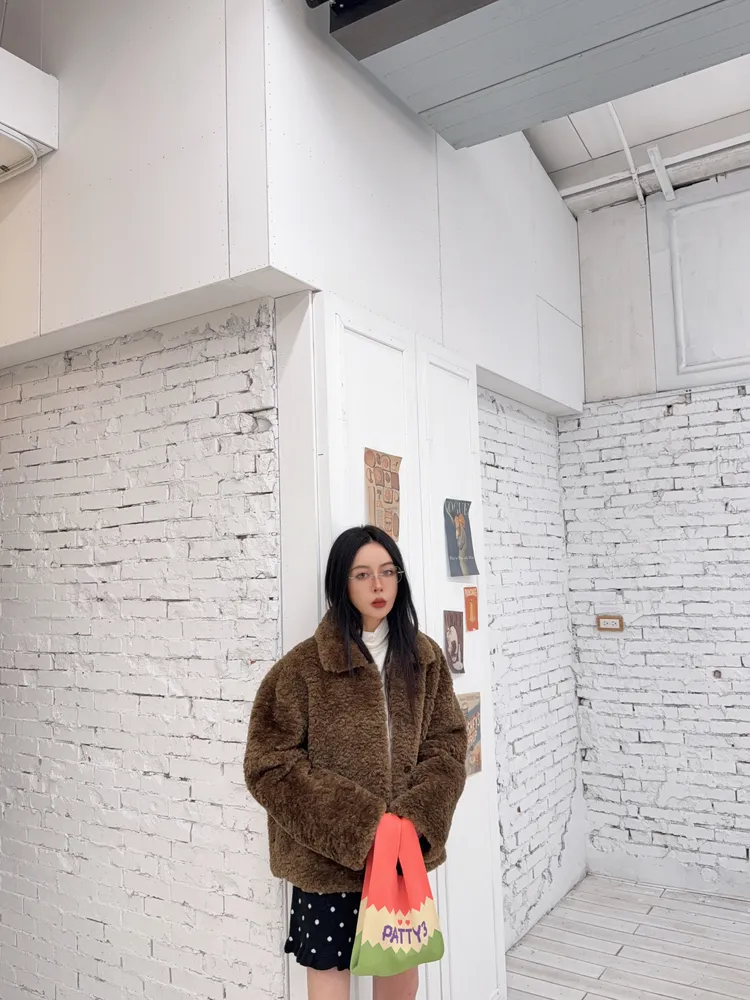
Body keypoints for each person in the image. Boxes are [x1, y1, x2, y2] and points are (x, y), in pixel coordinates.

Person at [244, 525, 468, 1000]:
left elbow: (448, 744)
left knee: (401, 969)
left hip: (402, 851)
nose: (378, 585)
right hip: (326, 863)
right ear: (341, 583)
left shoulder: (425, 658)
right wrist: (360, 826)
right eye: (362, 574)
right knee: (330, 972)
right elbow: (268, 764)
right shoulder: (303, 668)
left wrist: (412, 820)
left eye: (388, 572)